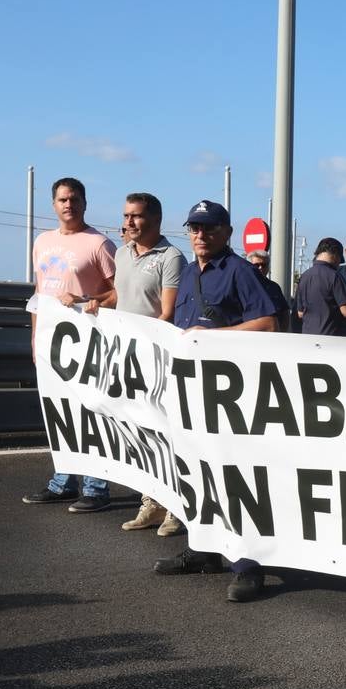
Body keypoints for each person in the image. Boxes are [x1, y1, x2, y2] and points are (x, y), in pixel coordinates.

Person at [153, 200, 278, 601]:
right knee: (196, 474)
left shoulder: (239, 272)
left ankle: (249, 565)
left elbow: (267, 324)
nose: (200, 235)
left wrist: (214, 338)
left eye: (208, 228)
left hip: (233, 397)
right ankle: (204, 549)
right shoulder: (189, 274)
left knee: (236, 481)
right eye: (194, 228)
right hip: (193, 396)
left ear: (225, 231)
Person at [87, 192, 186, 536]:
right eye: (126, 215)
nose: (128, 222)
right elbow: (120, 296)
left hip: (155, 360)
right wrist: (95, 303)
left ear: (155, 220)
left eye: (136, 216)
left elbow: (168, 312)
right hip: (125, 358)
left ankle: (175, 509)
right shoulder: (123, 254)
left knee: (164, 435)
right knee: (138, 435)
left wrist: (147, 345)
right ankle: (151, 503)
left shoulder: (171, 257)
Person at [22, 177, 117, 512]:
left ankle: (96, 487)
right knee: (60, 413)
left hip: (88, 342)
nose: (68, 205)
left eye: (74, 199)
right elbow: (39, 293)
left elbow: (120, 292)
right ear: (53, 204)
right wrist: (36, 339)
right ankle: (63, 482)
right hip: (51, 341)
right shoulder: (42, 241)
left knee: (91, 413)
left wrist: (89, 299)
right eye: (62, 199)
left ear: (85, 203)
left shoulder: (99, 244)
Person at [295, 238, 346, 336]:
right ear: (335, 255)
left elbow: (300, 313)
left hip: (307, 336)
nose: (338, 264)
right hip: (330, 338)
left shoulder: (304, 276)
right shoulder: (335, 276)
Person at [245, 248, 291, 331]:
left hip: (273, 336)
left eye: (264, 265)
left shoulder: (274, 287)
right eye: (256, 265)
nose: (260, 268)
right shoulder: (243, 286)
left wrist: (282, 333)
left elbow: (284, 313)